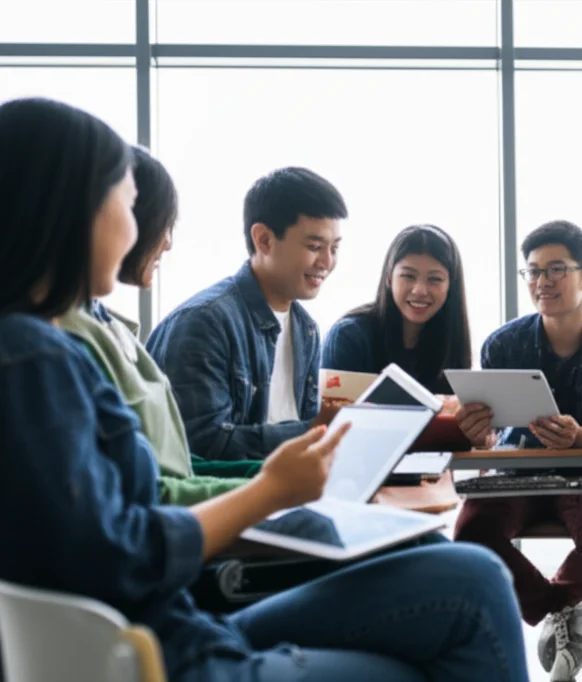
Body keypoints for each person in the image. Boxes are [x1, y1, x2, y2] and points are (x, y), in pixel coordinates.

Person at [0, 96, 530, 682]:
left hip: (178, 621)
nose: (144, 231)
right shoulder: (36, 358)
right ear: (67, 210)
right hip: (173, 640)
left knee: (460, 576)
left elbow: (134, 501)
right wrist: (272, 487)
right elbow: (119, 549)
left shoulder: (42, 350)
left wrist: (290, 476)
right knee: (465, 590)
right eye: (126, 203)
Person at [453, 220, 582, 681]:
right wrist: (477, 432)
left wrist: (578, 437)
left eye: (556, 269)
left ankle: (556, 611)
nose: (542, 282)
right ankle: (560, 612)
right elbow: (491, 434)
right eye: (533, 272)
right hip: (516, 473)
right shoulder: (503, 343)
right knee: (472, 534)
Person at [57, 145, 248, 505]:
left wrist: (266, 477)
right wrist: (272, 491)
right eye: (163, 222)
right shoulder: (61, 339)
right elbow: (145, 495)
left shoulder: (105, 322)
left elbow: (172, 467)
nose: (169, 243)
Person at [147, 166, 347, 461]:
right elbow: (202, 446)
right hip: (235, 499)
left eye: (335, 248)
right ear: (264, 239)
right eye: (314, 246)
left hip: (291, 490)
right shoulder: (204, 322)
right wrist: (313, 430)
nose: (327, 262)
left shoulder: (306, 328)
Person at [322, 224, 471, 394]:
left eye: (435, 279)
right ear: (388, 278)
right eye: (408, 276)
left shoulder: (451, 341)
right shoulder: (350, 336)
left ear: (451, 286)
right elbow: (336, 416)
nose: (420, 290)